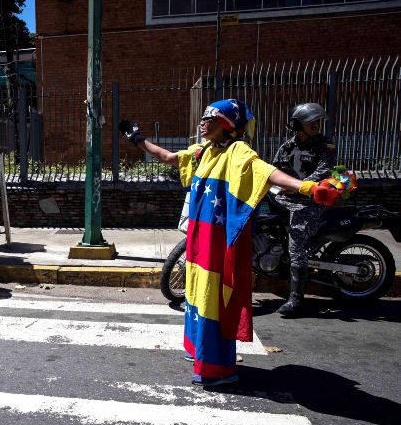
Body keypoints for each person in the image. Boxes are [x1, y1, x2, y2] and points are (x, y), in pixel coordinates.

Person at [120, 99, 342, 387]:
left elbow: (265, 171)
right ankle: (201, 353)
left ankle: (214, 369)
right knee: (197, 294)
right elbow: (167, 157)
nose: (202, 123)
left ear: (225, 125)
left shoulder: (238, 151)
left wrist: (307, 187)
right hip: (199, 241)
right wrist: (137, 139)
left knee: (214, 299)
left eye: (209, 118)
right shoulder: (203, 151)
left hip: (216, 243)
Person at [273, 103, 337, 317]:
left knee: (296, 242)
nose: (316, 124)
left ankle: (296, 299)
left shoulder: (325, 145)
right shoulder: (286, 147)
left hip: (310, 201)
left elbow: (323, 172)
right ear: (296, 124)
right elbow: (274, 170)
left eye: (318, 121)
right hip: (287, 197)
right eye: (311, 121)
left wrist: (296, 187)